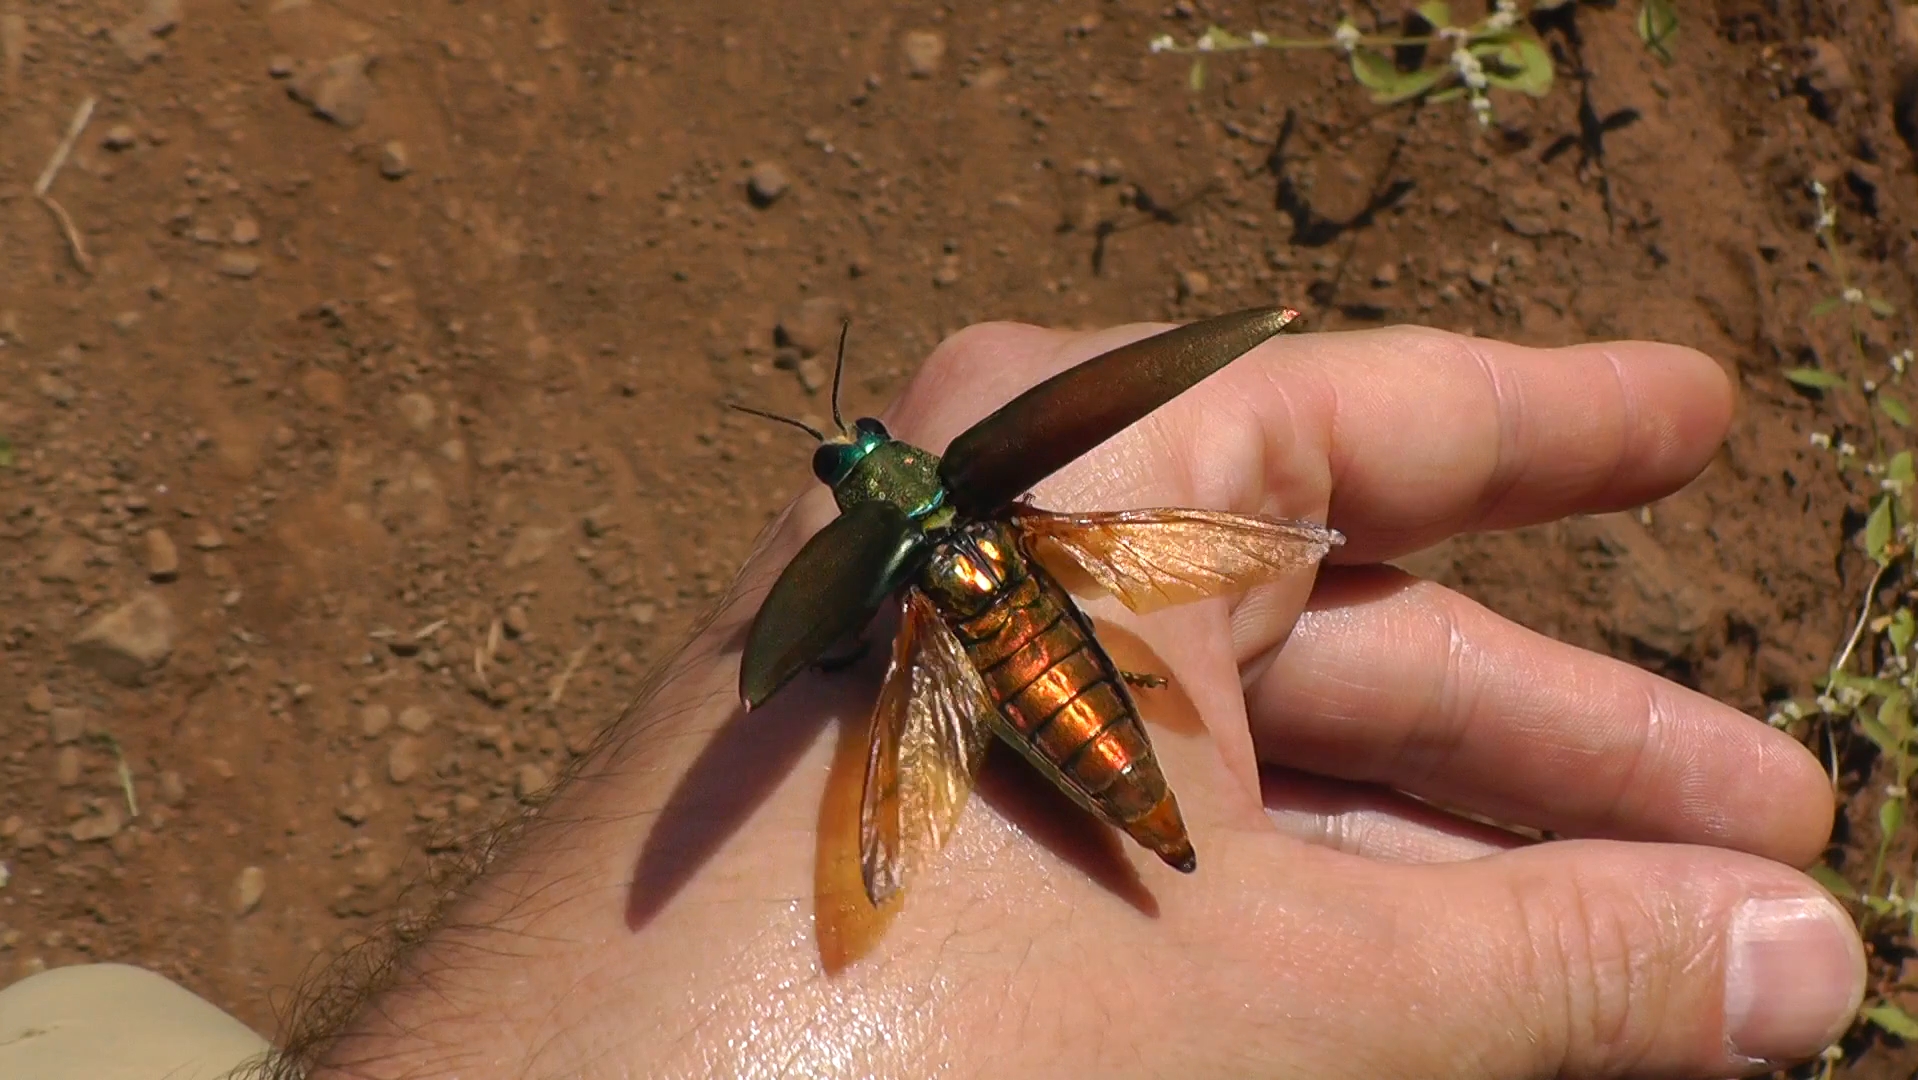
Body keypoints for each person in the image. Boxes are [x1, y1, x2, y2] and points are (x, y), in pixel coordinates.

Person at [0, 316, 1865, 1080]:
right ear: (913, 485)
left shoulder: (885, 602)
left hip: (985, 646)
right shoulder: (1002, 512)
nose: (859, 461)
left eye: (856, 460)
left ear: (868, 502)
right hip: (1049, 608)